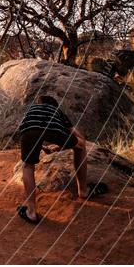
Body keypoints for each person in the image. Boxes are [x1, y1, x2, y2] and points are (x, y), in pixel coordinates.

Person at [17, 95, 103, 224]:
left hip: (29, 130)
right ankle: (83, 190)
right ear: (54, 105)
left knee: (28, 166)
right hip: (53, 129)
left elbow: (35, 129)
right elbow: (80, 139)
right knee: (80, 147)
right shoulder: (57, 111)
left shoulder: (32, 109)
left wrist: (48, 148)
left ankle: (31, 212)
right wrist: (66, 144)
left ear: (39, 103)